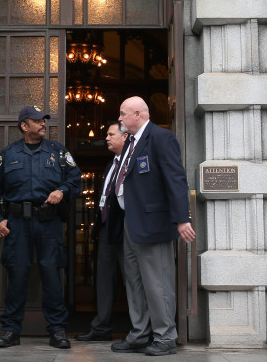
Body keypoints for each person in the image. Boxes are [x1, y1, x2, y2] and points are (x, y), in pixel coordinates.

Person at [0, 105, 82, 349]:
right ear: (24, 125)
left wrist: (62, 191)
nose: (43, 124)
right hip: (17, 224)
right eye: (37, 120)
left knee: (51, 274)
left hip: (48, 222)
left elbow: (75, 179)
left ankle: (58, 330)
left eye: (44, 120)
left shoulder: (58, 152)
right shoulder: (7, 154)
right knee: (17, 275)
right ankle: (10, 330)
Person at [110, 96, 195, 356]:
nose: (121, 120)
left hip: (154, 224)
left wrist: (182, 218)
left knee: (158, 282)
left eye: (123, 114)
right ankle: (139, 334)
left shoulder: (161, 138)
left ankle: (165, 336)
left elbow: (176, 180)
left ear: (138, 114)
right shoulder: (130, 144)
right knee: (135, 282)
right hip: (131, 223)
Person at [76, 120, 129, 342]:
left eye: (110, 134)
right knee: (104, 280)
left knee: (133, 281)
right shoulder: (111, 165)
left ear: (124, 137)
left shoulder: (131, 161)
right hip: (107, 230)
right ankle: (102, 327)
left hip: (128, 229)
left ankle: (142, 329)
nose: (105, 138)